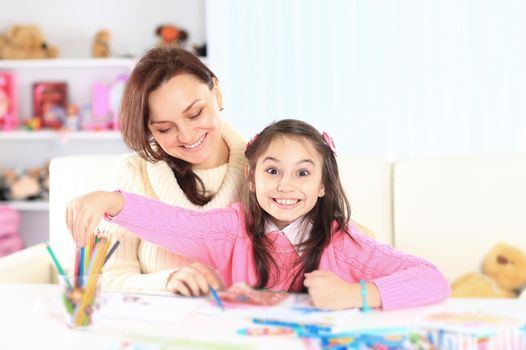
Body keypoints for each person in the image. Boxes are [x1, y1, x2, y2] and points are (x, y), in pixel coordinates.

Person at [67, 119, 450, 310]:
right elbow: (174, 223)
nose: (286, 185)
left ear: (322, 185)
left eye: (302, 172)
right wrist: (111, 201)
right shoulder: (231, 228)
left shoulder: (343, 242)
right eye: (272, 170)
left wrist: (355, 293)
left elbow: (432, 279)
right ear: (251, 178)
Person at [79, 46, 247, 295]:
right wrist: (166, 281)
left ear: (217, 93)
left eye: (195, 113)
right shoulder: (134, 172)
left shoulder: (268, 169)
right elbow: (108, 277)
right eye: (165, 129)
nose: (187, 136)